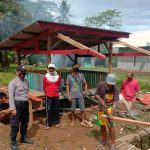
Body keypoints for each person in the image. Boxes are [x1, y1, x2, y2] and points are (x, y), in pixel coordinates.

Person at [8, 65, 33, 150]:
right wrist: (12, 108)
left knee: (24, 122)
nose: (22, 74)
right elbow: (11, 96)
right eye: (21, 72)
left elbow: (27, 92)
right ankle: (13, 142)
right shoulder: (13, 82)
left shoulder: (26, 81)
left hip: (25, 104)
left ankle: (23, 138)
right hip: (17, 105)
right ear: (17, 72)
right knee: (15, 124)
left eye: (24, 72)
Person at [95, 73, 119, 150]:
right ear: (106, 81)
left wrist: (111, 113)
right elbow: (96, 95)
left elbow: (115, 101)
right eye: (109, 84)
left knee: (111, 126)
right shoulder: (101, 85)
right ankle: (104, 140)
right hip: (101, 107)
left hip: (110, 107)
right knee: (102, 125)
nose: (110, 86)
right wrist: (101, 100)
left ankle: (113, 143)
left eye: (111, 84)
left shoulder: (115, 88)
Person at [43, 63, 61, 130]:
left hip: (56, 95)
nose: (51, 69)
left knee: (56, 109)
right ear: (48, 69)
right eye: (50, 68)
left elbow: (58, 85)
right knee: (48, 109)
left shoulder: (58, 77)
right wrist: (47, 93)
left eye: (52, 68)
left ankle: (55, 122)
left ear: (54, 69)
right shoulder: (45, 77)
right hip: (48, 95)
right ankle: (48, 123)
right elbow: (44, 86)